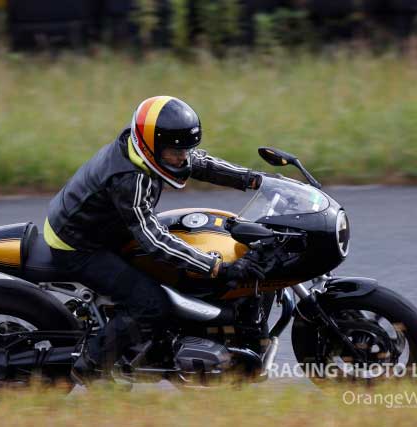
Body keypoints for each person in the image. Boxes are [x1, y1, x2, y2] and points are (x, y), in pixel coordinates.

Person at [44, 95, 265, 379]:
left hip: (106, 227)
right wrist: (216, 267)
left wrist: (254, 179)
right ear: (150, 147)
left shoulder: (143, 149)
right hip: (79, 244)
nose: (183, 157)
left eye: (185, 149)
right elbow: (153, 240)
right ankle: (93, 367)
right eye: (175, 152)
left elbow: (198, 162)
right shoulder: (130, 179)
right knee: (151, 304)